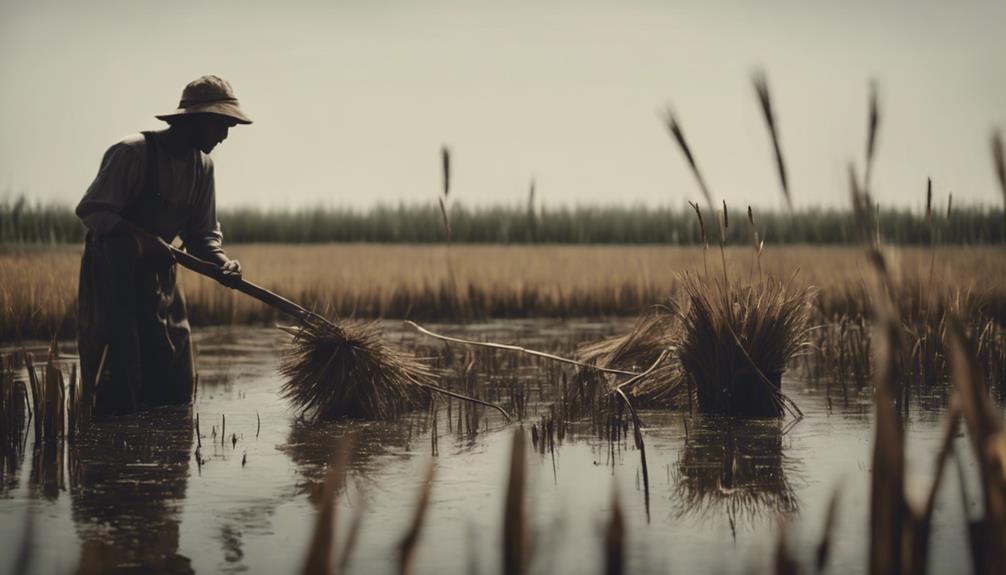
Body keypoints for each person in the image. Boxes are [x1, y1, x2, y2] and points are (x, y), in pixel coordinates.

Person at [76, 75, 250, 416]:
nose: (226, 136)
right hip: (114, 277)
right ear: (196, 120)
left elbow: (202, 236)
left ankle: (164, 465)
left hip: (161, 276)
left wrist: (222, 263)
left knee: (173, 380)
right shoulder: (133, 152)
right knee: (117, 378)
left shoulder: (204, 168)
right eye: (221, 125)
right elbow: (92, 209)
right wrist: (142, 240)